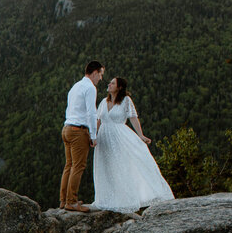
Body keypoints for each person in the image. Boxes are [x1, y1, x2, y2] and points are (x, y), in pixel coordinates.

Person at [89, 76, 174, 213]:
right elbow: (98, 120)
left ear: (120, 87)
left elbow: (133, 118)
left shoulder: (126, 101)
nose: (109, 84)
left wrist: (140, 135)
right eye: (110, 82)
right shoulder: (104, 102)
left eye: (112, 83)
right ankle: (107, 198)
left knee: (121, 166)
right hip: (104, 138)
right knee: (105, 166)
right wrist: (93, 136)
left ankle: (127, 198)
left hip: (119, 136)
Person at [59, 60, 103, 212]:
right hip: (79, 130)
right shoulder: (90, 88)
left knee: (69, 165)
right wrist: (93, 135)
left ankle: (64, 200)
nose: (101, 79)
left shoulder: (76, 86)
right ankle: (72, 201)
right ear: (95, 72)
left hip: (67, 128)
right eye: (101, 74)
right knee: (78, 166)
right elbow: (91, 112)